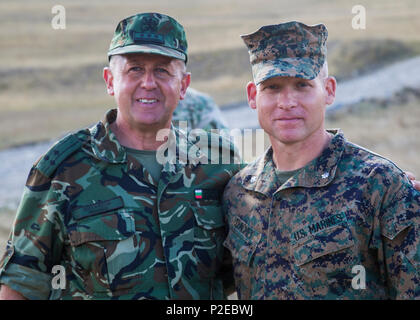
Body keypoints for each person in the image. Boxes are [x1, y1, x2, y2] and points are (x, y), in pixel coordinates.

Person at [0, 12, 240, 300]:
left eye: (162, 70)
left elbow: (239, 272)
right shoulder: (63, 170)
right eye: (134, 69)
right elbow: (22, 285)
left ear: (184, 85)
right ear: (110, 80)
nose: (148, 83)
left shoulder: (218, 165)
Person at [222, 21, 420, 299]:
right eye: (272, 87)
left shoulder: (379, 184)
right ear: (253, 96)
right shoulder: (239, 192)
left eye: (302, 85)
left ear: (328, 90)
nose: (287, 102)